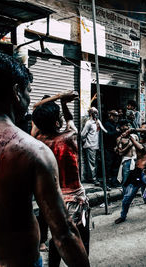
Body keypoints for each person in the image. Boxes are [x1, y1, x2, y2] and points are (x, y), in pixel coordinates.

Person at [0, 52, 89, 266]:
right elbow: (64, 234)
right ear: (16, 92)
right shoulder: (31, 150)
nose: (29, 99)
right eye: (28, 92)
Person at [32, 91, 91, 266]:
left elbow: (36, 116)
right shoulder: (69, 137)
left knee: (56, 238)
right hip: (74, 199)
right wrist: (64, 102)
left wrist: (55, 100)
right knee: (81, 239)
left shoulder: (36, 141)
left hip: (52, 199)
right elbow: (70, 121)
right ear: (58, 122)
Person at [81, 107, 107, 185]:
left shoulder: (98, 122)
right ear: (91, 114)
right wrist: (85, 141)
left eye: (97, 113)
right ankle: (93, 179)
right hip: (90, 145)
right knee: (92, 163)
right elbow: (83, 134)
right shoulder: (89, 123)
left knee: (95, 163)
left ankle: (93, 177)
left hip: (97, 145)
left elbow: (104, 130)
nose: (96, 114)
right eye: (95, 113)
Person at [103, 110, 121, 188]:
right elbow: (107, 135)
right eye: (114, 116)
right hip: (109, 148)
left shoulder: (116, 125)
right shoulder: (107, 124)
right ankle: (107, 183)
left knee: (115, 166)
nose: (116, 118)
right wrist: (116, 131)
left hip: (116, 148)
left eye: (117, 116)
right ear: (110, 116)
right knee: (108, 166)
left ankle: (114, 182)